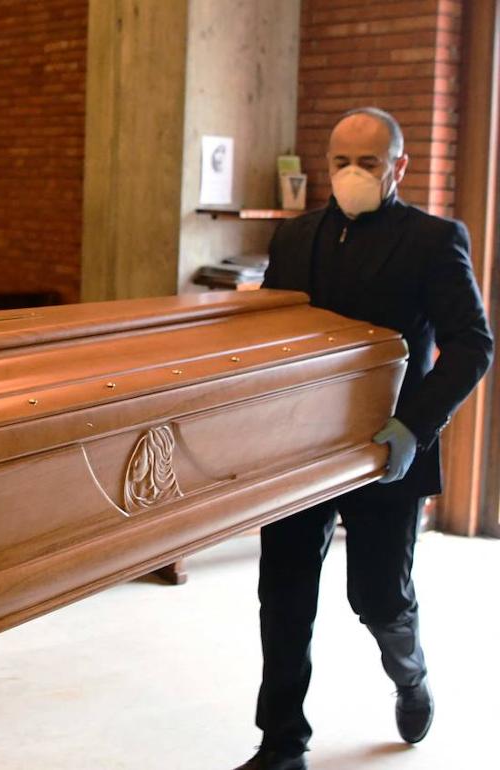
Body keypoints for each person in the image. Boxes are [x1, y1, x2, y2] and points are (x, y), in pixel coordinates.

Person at [234, 107, 494, 770]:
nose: (352, 174)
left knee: (377, 596)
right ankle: (282, 743)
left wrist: (416, 425)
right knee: (284, 592)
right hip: (300, 449)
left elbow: (472, 345)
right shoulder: (295, 238)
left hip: (389, 449)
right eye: (341, 161)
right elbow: (269, 334)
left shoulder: (435, 240)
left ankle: (410, 676)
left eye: (368, 163)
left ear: (399, 167)